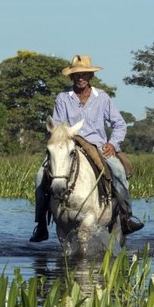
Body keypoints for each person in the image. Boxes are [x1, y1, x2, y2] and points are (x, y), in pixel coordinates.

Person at [30, 55, 144, 242]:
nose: (80, 78)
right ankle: (41, 224)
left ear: (90, 76)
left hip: (97, 146)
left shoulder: (102, 98)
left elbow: (120, 124)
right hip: (70, 145)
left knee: (118, 171)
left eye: (84, 74)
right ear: (71, 77)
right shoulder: (63, 98)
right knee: (40, 175)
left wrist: (112, 144)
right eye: (76, 75)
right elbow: (57, 127)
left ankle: (125, 217)